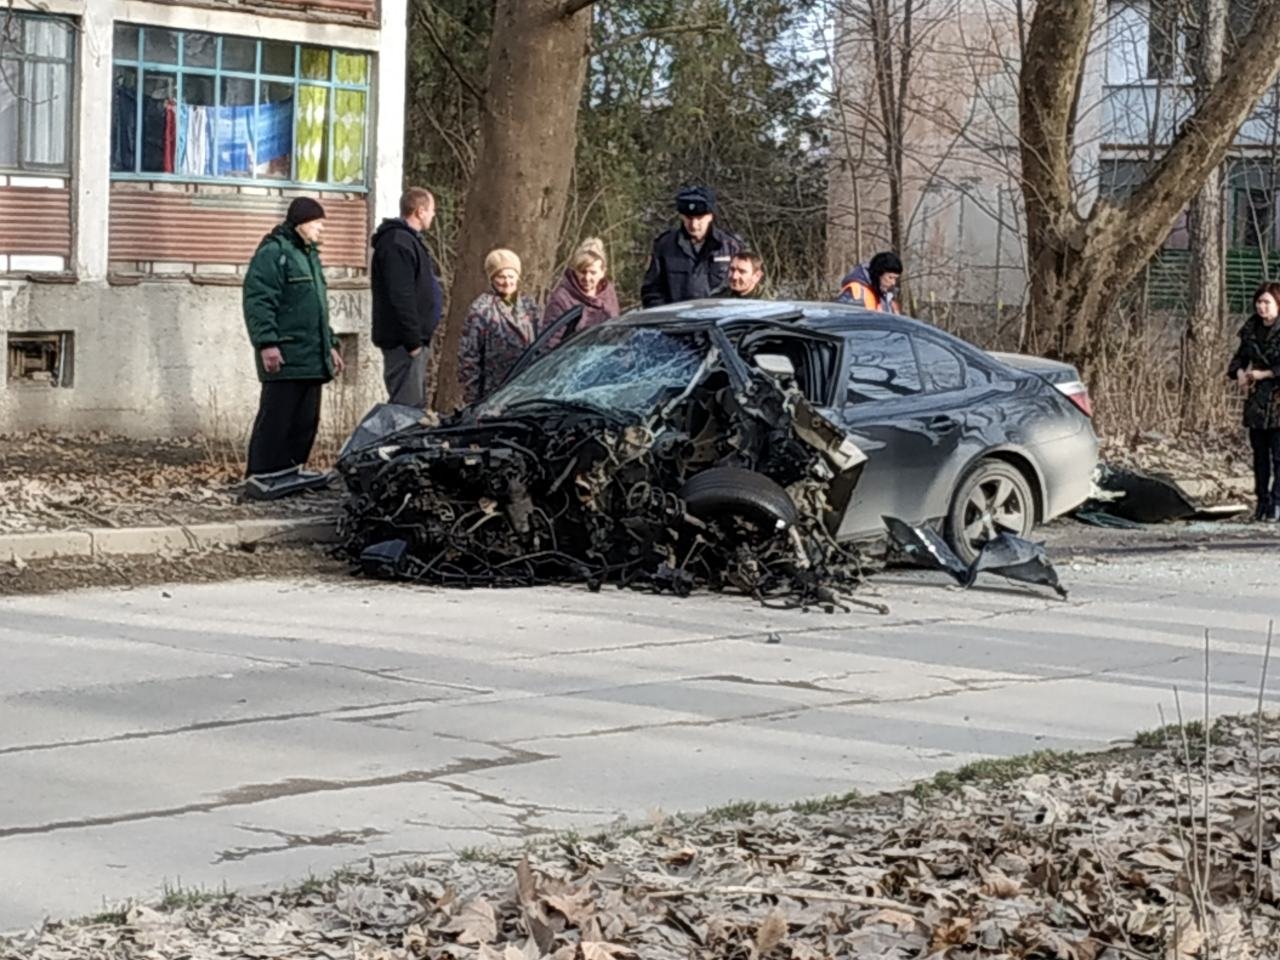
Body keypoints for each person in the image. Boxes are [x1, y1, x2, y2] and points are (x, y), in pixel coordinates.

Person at [242, 197, 344, 477]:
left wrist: (331, 345)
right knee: (276, 421)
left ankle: (290, 476)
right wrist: (267, 343)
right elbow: (259, 301)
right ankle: (261, 476)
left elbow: (317, 309)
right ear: (301, 223)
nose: (321, 229)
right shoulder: (274, 253)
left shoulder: (309, 256)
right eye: (317, 223)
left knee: (304, 424)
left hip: (312, 358)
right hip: (286, 357)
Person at [370, 186, 442, 407]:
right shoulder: (397, 243)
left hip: (412, 341)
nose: (433, 215)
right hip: (405, 344)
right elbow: (400, 295)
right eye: (431, 210)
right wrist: (413, 342)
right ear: (420, 211)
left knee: (413, 407)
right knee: (405, 410)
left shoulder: (408, 241)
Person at [457, 248, 543, 405]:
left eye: (511, 276)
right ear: (492, 278)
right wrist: (472, 398)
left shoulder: (529, 306)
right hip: (493, 392)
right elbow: (468, 356)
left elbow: (541, 344)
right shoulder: (481, 309)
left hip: (525, 388)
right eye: (501, 277)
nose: (507, 282)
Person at [1227, 281, 1280, 521]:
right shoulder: (1250, 329)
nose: (1262, 307)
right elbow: (1238, 359)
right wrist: (1239, 373)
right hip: (1257, 402)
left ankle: (1277, 502)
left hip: (1278, 399)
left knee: (1279, 457)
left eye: (1267, 302)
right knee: (1259, 455)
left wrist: (1266, 373)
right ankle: (1262, 501)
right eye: (1259, 302)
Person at [640, 185, 742, 306]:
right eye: (689, 218)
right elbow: (652, 291)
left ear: (710, 216)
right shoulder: (665, 246)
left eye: (699, 218)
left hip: (718, 319)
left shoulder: (729, 246)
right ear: (681, 216)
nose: (693, 225)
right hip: (677, 320)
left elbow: (742, 288)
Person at [544, 237, 621, 333]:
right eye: (583, 272)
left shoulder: (609, 295)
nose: (587, 278)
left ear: (602, 272)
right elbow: (552, 340)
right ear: (575, 270)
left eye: (593, 273)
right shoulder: (562, 298)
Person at [837, 251, 903, 313]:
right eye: (890, 277)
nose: (893, 283)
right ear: (878, 275)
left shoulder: (887, 297)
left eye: (895, 279)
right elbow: (844, 320)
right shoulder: (856, 292)